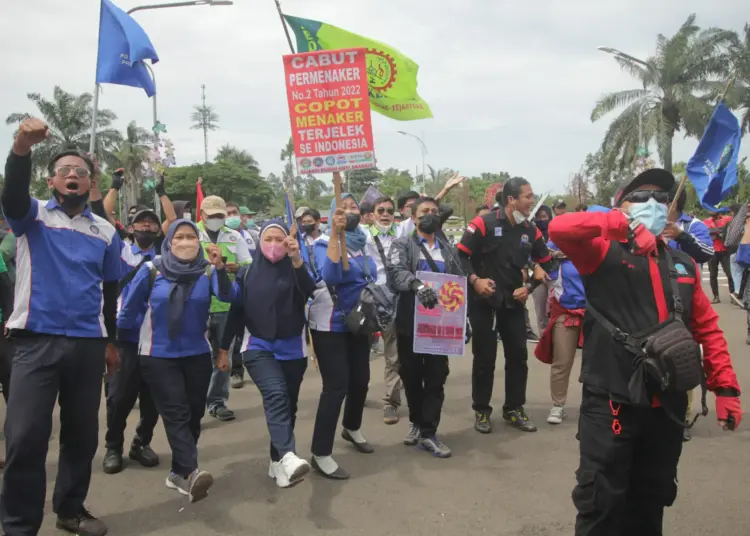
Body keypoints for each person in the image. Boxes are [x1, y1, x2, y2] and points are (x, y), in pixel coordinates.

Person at [548, 168, 742, 535]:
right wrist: (618, 227)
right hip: (611, 402)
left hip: (666, 407)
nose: (652, 204)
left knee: (650, 502)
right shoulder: (600, 253)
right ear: (621, 206)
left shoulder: (682, 265)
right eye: (640, 197)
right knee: (601, 506)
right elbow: (560, 229)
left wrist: (726, 388)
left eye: (661, 198)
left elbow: (708, 328)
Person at [1, 118, 122, 536]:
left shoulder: (106, 231)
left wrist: (110, 341)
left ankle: (70, 510)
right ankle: (18, 525)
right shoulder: (31, 217)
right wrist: (20, 148)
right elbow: (12, 196)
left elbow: (109, 291)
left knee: (82, 437)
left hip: (88, 346)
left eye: (82, 171)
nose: (73, 174)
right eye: (65, 169)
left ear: (92, 184)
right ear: (52, 180)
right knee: (24, 438)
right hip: (36, 342)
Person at [117, 219, 233, 503]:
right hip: (158, 355)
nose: (185, 242)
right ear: (169, 241)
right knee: (176, 414)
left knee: (194, 415)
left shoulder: (206, 271)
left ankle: (178, 472)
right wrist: (119, 350)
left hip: (196, 355)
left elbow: (228, 296)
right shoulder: (151, 270)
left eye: (190, 236)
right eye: (179, 237)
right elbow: (127, 313)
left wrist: (219, 266)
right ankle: (191, 473)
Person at [220, 220, 316, 488]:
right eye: (268, 239)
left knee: (289, 405)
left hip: (292, 348)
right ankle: (288, 455)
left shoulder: (296, 268)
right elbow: (234, 309)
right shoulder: (247, 273)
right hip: (258, 345)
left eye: (279, 240)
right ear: (259, 242)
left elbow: (311, 291)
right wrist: (224, 349)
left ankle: (277, 460)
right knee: (275, 395)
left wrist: (297, 260)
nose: (274, 245)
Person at [458, 178, 557, 434]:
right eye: (527, 197)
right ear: (511, 199)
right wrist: (475, 280)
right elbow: (459, 256)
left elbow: (546, 263)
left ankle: (514, 408)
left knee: (517, 357)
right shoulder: (483, 223)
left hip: (514, 303)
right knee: (484, 358)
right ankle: (481, 410)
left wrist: (530, 288)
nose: (531, 201)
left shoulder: (530, 230)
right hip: (484, 303)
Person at [388, 197, 465, 457]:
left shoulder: (448, 248)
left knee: (436, 376)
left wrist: (462, 320)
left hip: (440, 326)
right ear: (413, 217)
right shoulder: (402, 244)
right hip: (410, 322)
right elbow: (396, 272)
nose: (430, 215)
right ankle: (417, 421)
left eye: (434, 211)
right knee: (410, 375)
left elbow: (458, 283)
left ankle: (429, 432)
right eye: (424, 211)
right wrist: (417, 286)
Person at [307, 193, 376, 479]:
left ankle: (352, 426)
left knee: (361, 380)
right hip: (330, 323)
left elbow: (370, 274)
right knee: (336, 386)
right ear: (332, 214)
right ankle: (320, 452)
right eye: (343, 207)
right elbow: (331, 275)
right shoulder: (323, 244)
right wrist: (336, 236)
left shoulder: (362, 242)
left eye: (353, 207)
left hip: (358, 320)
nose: (349, 211)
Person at [534, 207, 612, 425]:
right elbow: (537, 257)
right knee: (562, 360)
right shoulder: (556, 246)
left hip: (597, 314)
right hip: (566, 311)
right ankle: (558, 405)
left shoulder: (602, 245)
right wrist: (535, 267)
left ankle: (598, 405)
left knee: (599, 362)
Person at [102, 208, 163, 475]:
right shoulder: (121, 253)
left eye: (152, 224)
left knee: (153, 399)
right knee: (119, 397)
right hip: (124, 337)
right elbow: (101, 217)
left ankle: (141, 443)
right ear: (130, 227)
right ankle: (113, 447)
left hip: (156, 339)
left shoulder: (166, 259)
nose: (146, 227)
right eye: (141, 223)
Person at [663, 185, 715, 442]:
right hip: (653, 302)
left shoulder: (693, 225)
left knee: (684, 357)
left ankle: (682, 416)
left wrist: (681, 235)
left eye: (664, 200)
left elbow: (707, 252)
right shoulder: (648, 223)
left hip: (686, 302)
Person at [197, 196, 252, 421]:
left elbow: (249, 264)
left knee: (222, 356)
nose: (217, 220)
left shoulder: (234, 236)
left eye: (221, 216)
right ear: (202, 216)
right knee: (198, 358)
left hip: (225, 305)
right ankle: (195, 405)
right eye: (212, 217)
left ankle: (217, 401)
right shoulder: (190, 233)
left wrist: (235, 266)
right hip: (197, 304)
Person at [364, 196, 402, 424]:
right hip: (368, 299)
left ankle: (391, 402)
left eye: (390, 210)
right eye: (381, 210)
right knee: (361, 352)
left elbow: (425, 212)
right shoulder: (363, 235)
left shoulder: (402, 234)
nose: (386, 214)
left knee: (393, 354)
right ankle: (357, 392)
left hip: (393, 301)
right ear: (372, 214)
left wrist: (445, 190)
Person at [225, 201, 258, 389]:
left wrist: (239, 267)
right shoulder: (220, 236)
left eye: (234, 213)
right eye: (227, 213)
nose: (231, 217)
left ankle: (237, 371)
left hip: (245, 290)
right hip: (221, 293)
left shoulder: (252, 237)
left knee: (240, 333)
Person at [531, 205, 554, 337]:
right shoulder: (531, 233)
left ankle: (557, 340)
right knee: (540, 312)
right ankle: (544, 340)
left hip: (553, 275)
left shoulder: (555, 233)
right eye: (538, 217)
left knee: (553, 311)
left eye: (544, 217)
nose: (541, 220)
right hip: (536, 277)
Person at [704, 210, 735, 302]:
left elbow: (731, 229)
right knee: (713, 274)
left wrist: (715, 232)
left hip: (724, 250)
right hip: (712, 250)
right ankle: (716, 296)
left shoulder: (727, 219)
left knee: (730, 274)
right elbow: (707, 232)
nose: (710, 211)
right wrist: (720, 230)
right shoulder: (706, 221)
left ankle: (733, 296)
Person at [300, 208, 323, 277]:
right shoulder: (300, 240)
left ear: (318, 222)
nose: (306, 224)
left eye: (309, 221)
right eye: (304, 222)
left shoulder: (327, 240)